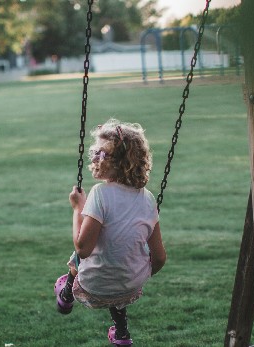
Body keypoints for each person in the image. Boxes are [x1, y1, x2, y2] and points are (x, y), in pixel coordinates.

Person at [55, 118, 167, 346]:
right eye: (94, 152)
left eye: (101, 154)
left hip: (94, 283)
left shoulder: (100, 194)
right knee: (121, 258)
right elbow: (160, 257)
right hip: (131, 283)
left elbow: (83, 248)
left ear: (119, 163)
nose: (94, 158)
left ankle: (66, 295)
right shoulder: (148, 198)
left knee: (76, 258)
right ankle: (122, 333)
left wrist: (78, 208)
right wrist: (136, 275)